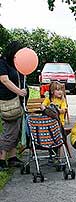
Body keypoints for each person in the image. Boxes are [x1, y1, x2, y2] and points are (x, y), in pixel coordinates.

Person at [0, 41, 28, 172]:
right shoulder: (2, 62)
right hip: (8, 101)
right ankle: (1, 159)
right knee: (10, 130)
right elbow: (4, 80)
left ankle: (12, 157)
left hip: (19, 101)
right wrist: (19, 91)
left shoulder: (16, 64)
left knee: (16, 130)